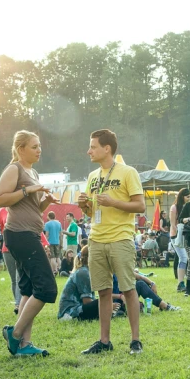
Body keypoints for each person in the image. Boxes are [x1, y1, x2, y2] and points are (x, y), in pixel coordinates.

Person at [78, 129, 145, 355]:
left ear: (107, 148)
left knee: (128, 288)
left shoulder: (128, 172)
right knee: (103, 291)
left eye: (93, 146)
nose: (89, 151)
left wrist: (114, 202)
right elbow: (91, 212)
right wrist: (84, 206)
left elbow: (140, 206)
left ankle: (135, 340)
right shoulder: (92, 176)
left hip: (121, 238)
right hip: (96, 239)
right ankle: (104, 341)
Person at [0, 130, 60, 357]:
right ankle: (15, 335)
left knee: (28, 290)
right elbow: (0, 199)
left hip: (30, 233)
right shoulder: (14, 169)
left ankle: (25, 345)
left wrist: (45, 202)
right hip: (19, 234)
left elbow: (31, 208)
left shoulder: (32, 171)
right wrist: (27, 190)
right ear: (20, 148)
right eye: (34, 146)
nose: (39, 150)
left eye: (40, 146)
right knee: (46, 288)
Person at [58, 246, 119, 321]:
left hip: (77, 308)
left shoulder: (86, 271)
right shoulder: (83, 272)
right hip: (70, 312)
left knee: (104, 302)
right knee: (102, 302)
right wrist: (107, 306)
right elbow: (86, 301)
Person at [0, 208, 20, 314]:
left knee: (19, 277)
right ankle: (18, 303)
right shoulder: (2, 211)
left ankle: (19, 304)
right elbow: (0, 228)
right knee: (14, 280)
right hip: (7, 248)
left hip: (21, 248)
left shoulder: (21, 207)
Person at [170, 188, 190, 292]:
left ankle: (182, 282)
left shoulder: (187, 207)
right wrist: (178, 234)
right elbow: (172, 224)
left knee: (184, 258)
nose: (189, 198)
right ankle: (180, 283)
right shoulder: (174, 208)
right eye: (187, 196)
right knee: (183, 258)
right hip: (176, 236)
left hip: (184, 235)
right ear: (182, 196)